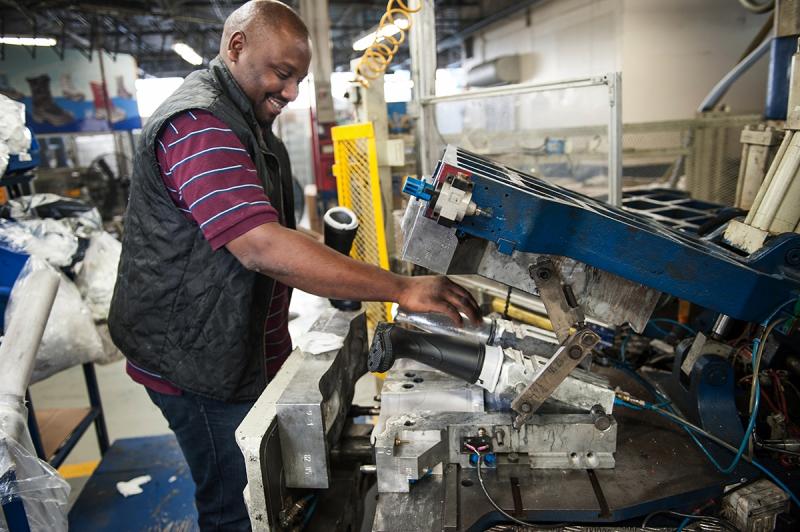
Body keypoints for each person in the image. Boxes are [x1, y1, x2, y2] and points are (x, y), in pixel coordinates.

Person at [108, 1, 480, 529]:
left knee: (268, 490)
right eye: (282, 74)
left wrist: (334, 264)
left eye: (299, 80)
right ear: (236, 46)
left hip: (232, 347)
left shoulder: (248, 124)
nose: (290, 92)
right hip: (196, 360)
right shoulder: (200, 125)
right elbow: (260, 247)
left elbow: (270, 231)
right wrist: (401, 288)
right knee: (238, 508)